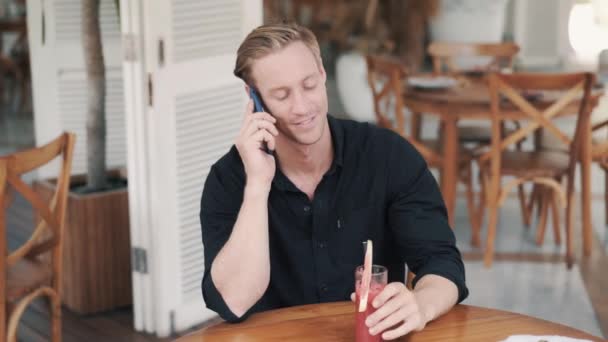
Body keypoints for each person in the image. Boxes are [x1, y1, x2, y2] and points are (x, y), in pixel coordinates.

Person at [200, 22, 468, 340]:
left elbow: (441, 262)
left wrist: (420, 305)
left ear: (324, 75)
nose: (302, 107)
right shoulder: (228, 180)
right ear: (254, 99)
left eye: (309, 85)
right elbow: (233, 302)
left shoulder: (388, 156)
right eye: (281, 95)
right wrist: (257, 185)